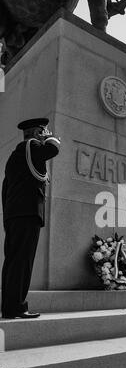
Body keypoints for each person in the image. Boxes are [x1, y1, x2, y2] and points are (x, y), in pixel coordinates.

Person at [1, 118, 61, 319]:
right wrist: (49, 138)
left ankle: (10, 306)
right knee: (22, 263)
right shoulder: (32, 146)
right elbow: (52, 149)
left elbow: (5, 189)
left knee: (13, 262)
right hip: (27, 214)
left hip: (15, 215)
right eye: (43, 131)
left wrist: (9, 215)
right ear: (37, 133)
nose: (45, 134)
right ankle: (16, 307)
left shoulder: (15, 156)